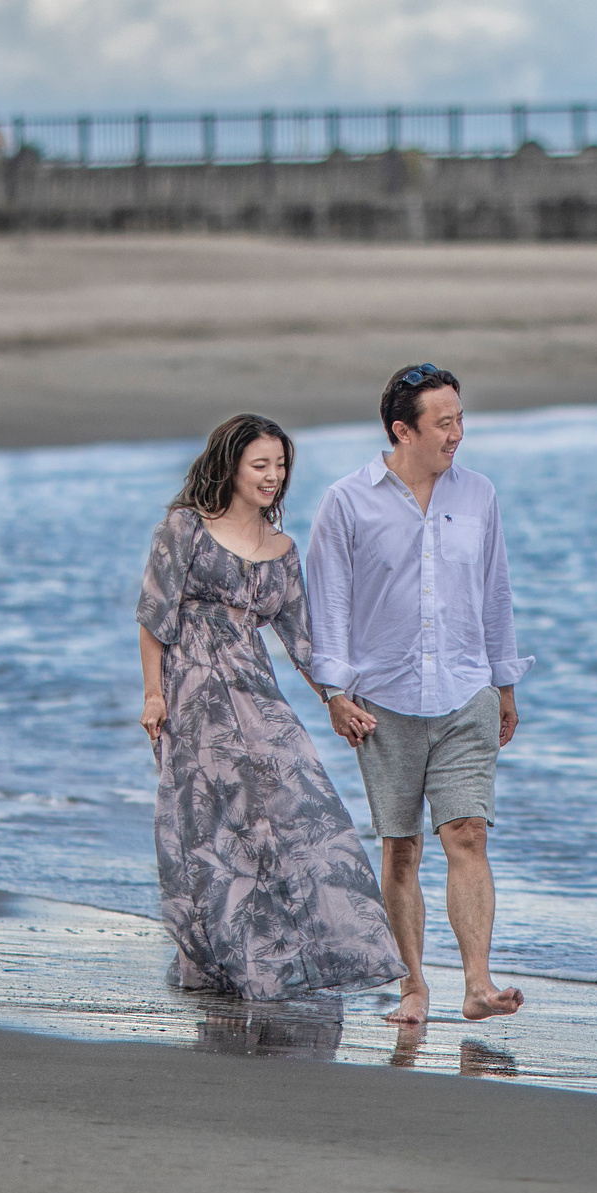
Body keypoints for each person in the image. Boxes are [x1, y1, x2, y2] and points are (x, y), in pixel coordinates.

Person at [137, 413, 406, 1002]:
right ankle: (229, 960)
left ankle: (301, 953)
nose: (273, 476)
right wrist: (154, 695)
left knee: (302, 810)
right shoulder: (184, 529)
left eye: (280, 465)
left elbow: (303, 640)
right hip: (193, 704)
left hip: (258, 698)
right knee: (213, 831)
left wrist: (337, 700)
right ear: (230, 466)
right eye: (260, 465)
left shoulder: (283, 549)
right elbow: (154, 617)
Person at [308, 364, 530, 1023]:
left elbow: (496, 592)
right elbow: (329, 605)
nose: (458, 433)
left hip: (466, 690)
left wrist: (505, 683)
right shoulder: (347, 501)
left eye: (461, 418)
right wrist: (334, 693)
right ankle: (413, 988)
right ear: (402, 430)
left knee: (467, 832)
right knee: (401, 845)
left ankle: (477, 984)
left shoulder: (479, 494)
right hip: (383, 699)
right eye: (444, 422)